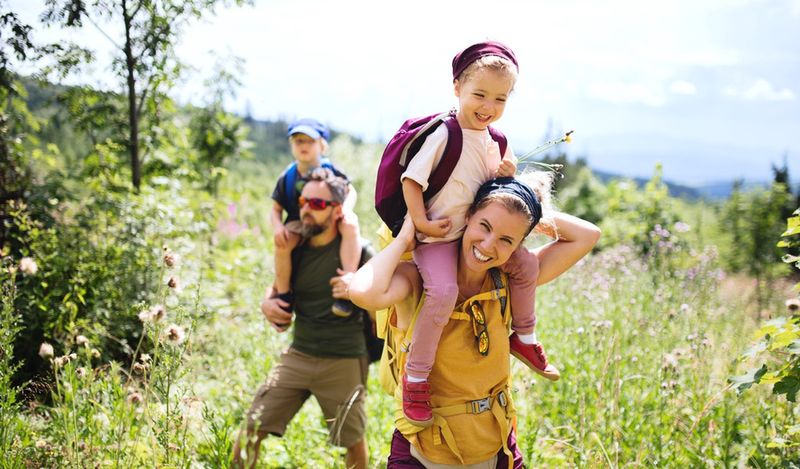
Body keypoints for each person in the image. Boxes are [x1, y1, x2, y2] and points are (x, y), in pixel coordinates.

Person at [350, 175, 601, 467]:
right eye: (485, 226)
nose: (489, 244)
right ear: (466, 216)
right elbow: (363, 292)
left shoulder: (510, 281)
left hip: (496, 449)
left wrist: (523, 206)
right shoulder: (418, 278)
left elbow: (588, 235)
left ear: (518, 246)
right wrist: (405, 239)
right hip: (422, 452)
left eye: (507, 239)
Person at [398, 40, 556, 427]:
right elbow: (412, 180)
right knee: (444, 292)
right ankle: (416, 377)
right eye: (479, 95)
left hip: (472, 234)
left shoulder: (496, 140)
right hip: (437, 237)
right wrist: (419, 222)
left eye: (500, 99)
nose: (489, 106)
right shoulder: (444, 133)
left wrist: (505, 172)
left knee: (525, 267)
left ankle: (525, 335)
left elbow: (496, 187)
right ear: (457, 88)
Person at [233, 168, 372, 469]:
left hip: (344, 359)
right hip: (299, 354)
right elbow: (276, 289)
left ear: (337, 210)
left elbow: (382, 304)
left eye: (318, 204)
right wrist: (266, 304)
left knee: (353, 442)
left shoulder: (360, 252)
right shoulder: (295, 248)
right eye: (303, 201)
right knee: (250, 430)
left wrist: (358, 292)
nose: (307, 209)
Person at [271, 118, 360, 318]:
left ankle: (347, 284)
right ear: (291, 145)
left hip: (330, 217)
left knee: (351, 225)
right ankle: (284, 295)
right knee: (282, 244)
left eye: (309, 141)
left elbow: (350, 191)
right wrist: (278, 227)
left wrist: (346, 209)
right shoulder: (288, 176)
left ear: (322, 145)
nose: (304, 146)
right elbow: (275, 209)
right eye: (298, 141)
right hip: (299, 221)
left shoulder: (332, 171)